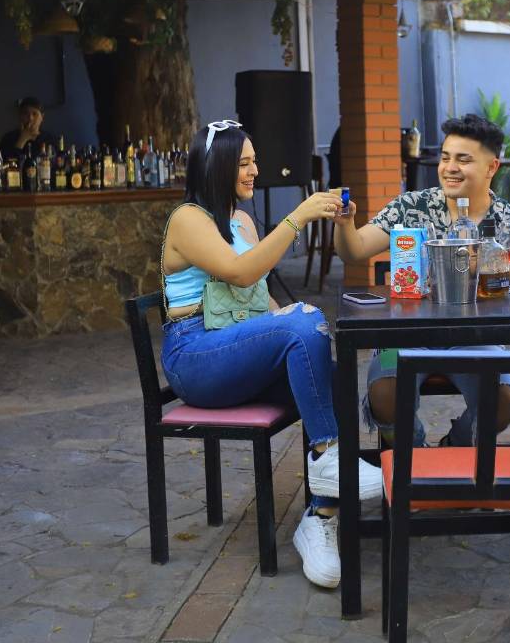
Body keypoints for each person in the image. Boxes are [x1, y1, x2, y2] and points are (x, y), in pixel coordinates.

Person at [159, 119, 384, 589]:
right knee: (302, 322)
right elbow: (241, 274)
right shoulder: (188, 219)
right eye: (244, 163)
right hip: (195, 356)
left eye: (254, 161)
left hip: (236, 347)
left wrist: (295, 322)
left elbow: (259, 299)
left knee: (327, 365)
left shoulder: (240, 220)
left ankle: (320, 518)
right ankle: (329, 458)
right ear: (216, 167)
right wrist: (297, 217)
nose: (254, 171)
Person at [332, 113, 510, 447]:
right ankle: (413, 454)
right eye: (445, 157)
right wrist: (345, 224)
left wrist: (461, 259)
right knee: (384, 391)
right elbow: (355, 250)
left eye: (464, 160)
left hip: (479, 337)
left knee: (503, 401)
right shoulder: (412, 205)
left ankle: (459, 447)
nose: (450, 167)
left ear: (492, 167)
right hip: (406, 334)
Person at [0, 96, 58, 161]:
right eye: (25, 113)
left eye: (34, 114)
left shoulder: (49, 139)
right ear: (20, 116)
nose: (30, 118)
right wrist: (22, 139)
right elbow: (6, 163)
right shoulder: (8, 138)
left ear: (42, 117)